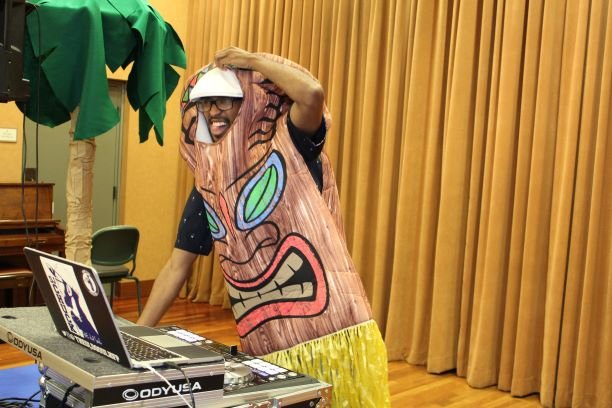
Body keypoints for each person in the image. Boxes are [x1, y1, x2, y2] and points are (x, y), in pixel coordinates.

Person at [143, 46, 390, 406]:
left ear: (246, 102)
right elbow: (176, 267)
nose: (213, 111)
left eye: (224, 100)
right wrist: (134, 337)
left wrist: (252, 62)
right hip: (268, 349)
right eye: (205, 103)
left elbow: (312, 94)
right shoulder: (208, 185)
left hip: (333, 336)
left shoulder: (289, 141)